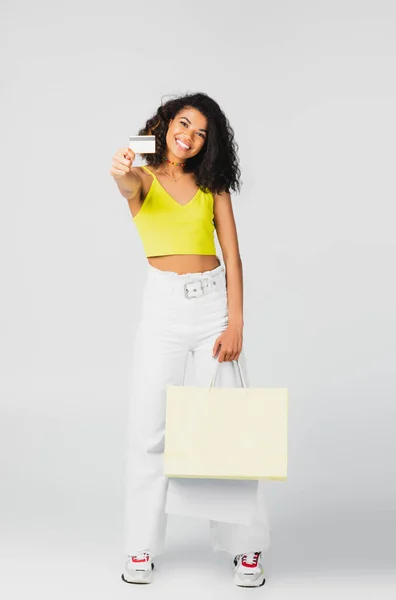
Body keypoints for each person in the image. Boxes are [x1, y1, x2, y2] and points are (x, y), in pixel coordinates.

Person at [110, 92, 270, 587]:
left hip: (211, 309)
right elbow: (126, 183)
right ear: (165, 124)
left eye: (202, 132)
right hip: (162, 308)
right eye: (184, 124)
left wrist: (236, 323)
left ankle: (247, 548)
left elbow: (234, 258)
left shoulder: (211, 183)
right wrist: (121, 169)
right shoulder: (143, 176)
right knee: (149, 427)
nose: (191, 137)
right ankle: (140, 546)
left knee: (225, 424)